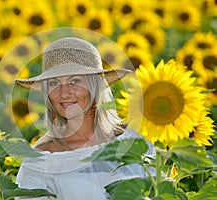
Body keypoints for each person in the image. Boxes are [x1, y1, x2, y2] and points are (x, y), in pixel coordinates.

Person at [14, 37, 154, 199]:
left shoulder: (138, 137)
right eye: (54, 83)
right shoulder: (40, 162)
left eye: (75, 81)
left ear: (95, 87)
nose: (64, 93)